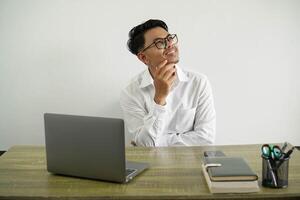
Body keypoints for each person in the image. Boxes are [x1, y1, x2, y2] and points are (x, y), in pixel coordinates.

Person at [120, 19, 216, 147]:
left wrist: (158, 142)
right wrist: (159, 98)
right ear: (143, 57)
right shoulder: (130, 92)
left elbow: (206, 138)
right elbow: (145, 146)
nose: (169, 44)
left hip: (191, 161)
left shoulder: (198, 82)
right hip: (150, 164)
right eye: (159, 43)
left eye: (169, 38)